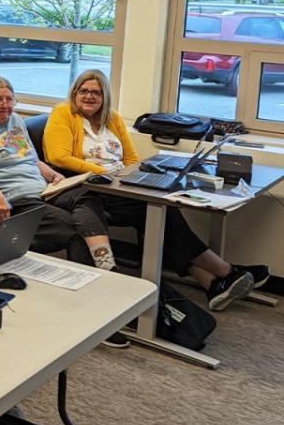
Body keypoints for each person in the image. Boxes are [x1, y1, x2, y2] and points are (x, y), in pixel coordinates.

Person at [44, 70, 266, 310]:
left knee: (161, 210)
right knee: (158, 211)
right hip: (86, 186)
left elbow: (131, 158)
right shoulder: (63, 113)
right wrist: (104, 174)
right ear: (74, 93)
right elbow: (59, 156)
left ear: (105, 96)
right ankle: (225, 271)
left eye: (96, 92)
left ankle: (212, 282)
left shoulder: (113, 117)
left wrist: (132, 177)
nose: (89, 96)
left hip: (118, 184)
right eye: (83, 91)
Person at [0, 76, 116, 269]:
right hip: (14, 201)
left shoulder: (14, 121)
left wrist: (53, 176)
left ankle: (105, 263)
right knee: (76, 229)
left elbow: (30, 157)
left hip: (42, 192)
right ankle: (95, 280)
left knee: (87, 195)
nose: (5, 105)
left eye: (9, 99)